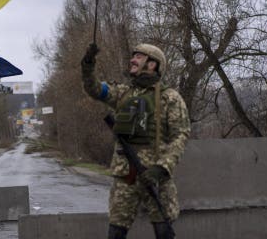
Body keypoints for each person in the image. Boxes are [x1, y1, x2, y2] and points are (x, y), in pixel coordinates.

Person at [81, 43, 190, 239]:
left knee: (164, 232)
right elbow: (94, 89)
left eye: (139, 57)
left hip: (157, 178)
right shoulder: (123, 93)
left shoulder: (170, 98)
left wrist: (162, 168)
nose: (132, 60)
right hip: (126, 176)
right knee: (115, 232)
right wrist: (88, 63)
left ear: (152, 64)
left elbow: (180, 135)